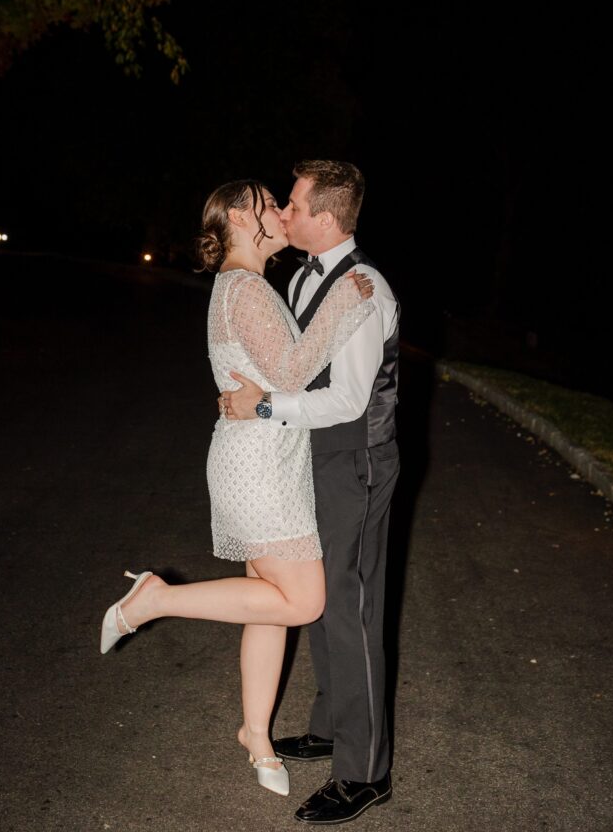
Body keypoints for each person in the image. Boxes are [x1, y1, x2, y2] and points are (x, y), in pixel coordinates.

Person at [99, 179, 375, 800]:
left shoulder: (242, 285)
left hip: (263, 460)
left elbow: (273, 377)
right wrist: (342, 304)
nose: (279, 211)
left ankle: (256, 734)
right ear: (233, 219)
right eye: (266, 203)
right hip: (259, 470)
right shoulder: (246, 287)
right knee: (302, 602)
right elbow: (290, 371)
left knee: (266, 603)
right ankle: (155, 600)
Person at [222, 160, 400, 824]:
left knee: (349, 612)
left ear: (325, 219)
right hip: (307, 458)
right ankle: (329, 725)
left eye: (292, 205)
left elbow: (349, 399)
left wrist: (264, 408)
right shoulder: (299, 276)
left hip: (352, 461)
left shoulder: (364, 289)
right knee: (317, 597)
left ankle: (363, 771)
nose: (283, 214)